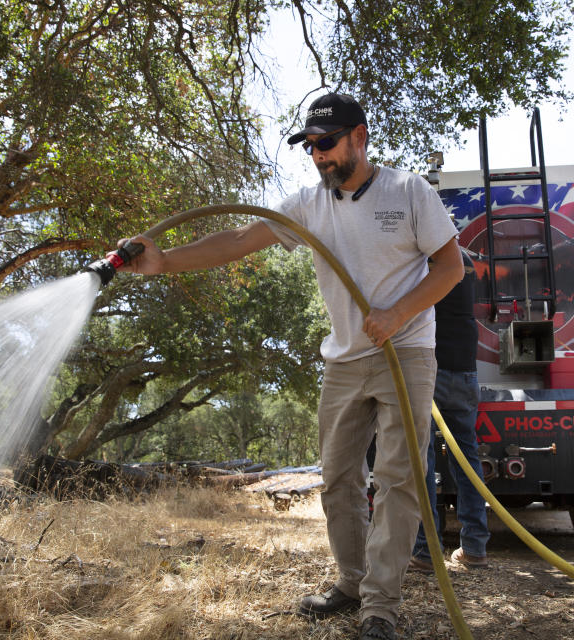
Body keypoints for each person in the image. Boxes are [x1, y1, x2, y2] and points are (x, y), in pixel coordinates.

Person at [118, 92, 463, 639]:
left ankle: (380, 607)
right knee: (338, 478)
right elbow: (238, 238)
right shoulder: (307, 205)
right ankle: (352, 584)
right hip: (344, 359)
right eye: (311, 147)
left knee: (398, 479)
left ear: (360, 136)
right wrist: (163, 262)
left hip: (406, 352)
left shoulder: (409, 191)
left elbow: (451, 269)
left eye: (327, 143)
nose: (319, 155)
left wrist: (398, 314)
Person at [409, 251, 490, 572]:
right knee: (466, 456)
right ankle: (475, 548)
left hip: (430, 367)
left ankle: (426, 551)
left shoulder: (423, 255)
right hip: (466, 370)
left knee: (423, 459)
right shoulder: (465, 259)